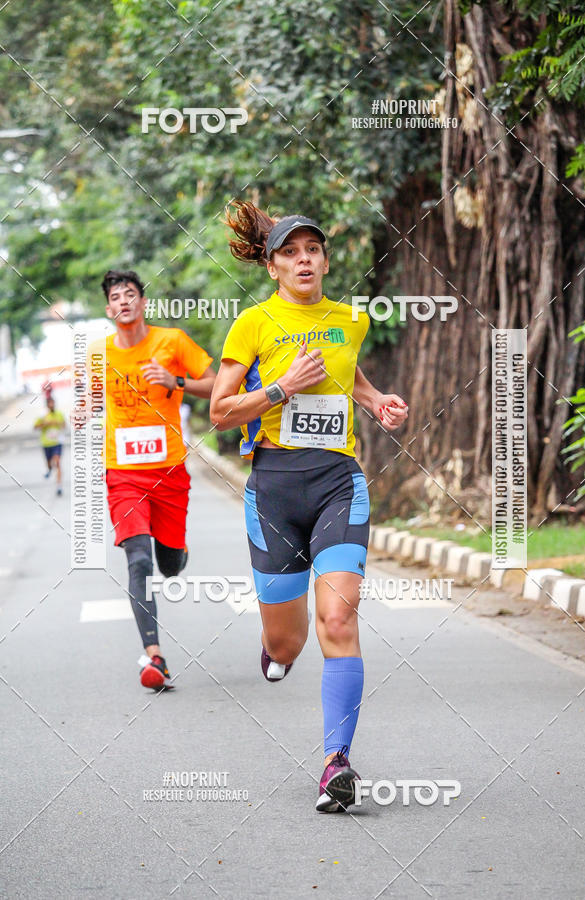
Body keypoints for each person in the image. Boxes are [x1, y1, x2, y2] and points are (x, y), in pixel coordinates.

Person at [210, 202, 408, 812]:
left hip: (336, 484)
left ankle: (335, 762)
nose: (304, 260)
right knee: (291, 642)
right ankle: (274, 648)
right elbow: (220, 411)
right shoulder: (252, 324)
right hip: (272, 489)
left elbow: (345, 378)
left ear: (324, 260)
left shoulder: (349, 320)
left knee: (340, 622)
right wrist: (279, 388)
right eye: (290, 252)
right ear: (272, 266)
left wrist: (377, 403)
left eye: (312, 250)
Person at [95, 270, 216, 691]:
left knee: (167, 564)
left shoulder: (172, 341)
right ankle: (155, 658)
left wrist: (175, 381)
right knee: (139, 560)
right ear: (109, 309)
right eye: (116, 296)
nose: (124, 301)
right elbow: (89, 402)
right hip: (123, 475)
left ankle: (178, 553)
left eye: (131, 294)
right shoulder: (99, 354)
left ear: (143, 303)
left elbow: (217, 384)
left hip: (169, 474)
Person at [34, 395, 65, 495]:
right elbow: (35, 427)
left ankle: (59, 486)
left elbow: (64, 425)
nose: (51, 405)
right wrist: (45, 424)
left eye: (53, 403)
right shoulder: (42, 416)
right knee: (49, 463)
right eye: (49, 404)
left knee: (57, 462)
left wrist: (58, 423)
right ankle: (49, 468)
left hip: (57, 442)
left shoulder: (59, 414)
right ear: (47, 405)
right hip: (46, 443)